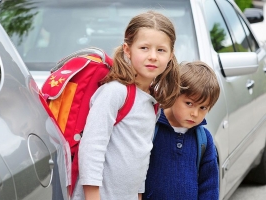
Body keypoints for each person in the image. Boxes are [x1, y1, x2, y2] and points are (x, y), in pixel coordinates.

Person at [71, 11, 181, 200]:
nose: (153, 56)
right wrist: (92, 197)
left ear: (171, 55)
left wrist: (138, 195)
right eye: (144, 48)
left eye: (161, 50)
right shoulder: (116, 92)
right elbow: (92, 146)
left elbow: (141, 154)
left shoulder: (152, 101)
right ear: (127, 50)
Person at [143, 61, 220, 200]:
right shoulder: (150, 127)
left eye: (203, 108)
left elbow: (210, 186)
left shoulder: (204, 139)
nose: (195, 114)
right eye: (189, 104)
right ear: (173, 94)